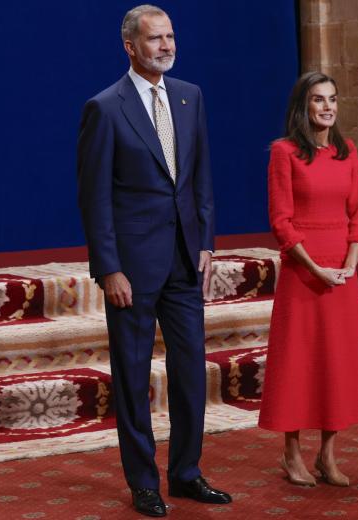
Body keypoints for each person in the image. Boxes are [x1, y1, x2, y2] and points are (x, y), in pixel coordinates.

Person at [76, 5, 230, 516]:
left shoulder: (191, 96)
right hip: (132, 270)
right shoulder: (105, 107)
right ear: (130, 47)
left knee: (190, 375)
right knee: (133, 377)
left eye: (170, 37)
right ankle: (144, 481)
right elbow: (94, 197)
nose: (166, 46)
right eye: (155, 39)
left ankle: (186, 473)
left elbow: (200, 177)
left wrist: (206, 241)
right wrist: (109, 267)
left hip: (186, 260)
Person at [258, 72, 358, 487]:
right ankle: (291, 453)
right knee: (299, 364)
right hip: (303, 273)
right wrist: (316, 269)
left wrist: (348, 267)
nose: (327, 107)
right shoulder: (284, 152)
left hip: (340, 275)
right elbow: (281, 221)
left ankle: (327, 455)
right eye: (318, 100)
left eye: (332, 99)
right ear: (303, 106)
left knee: (337, 365)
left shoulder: (347, 151)